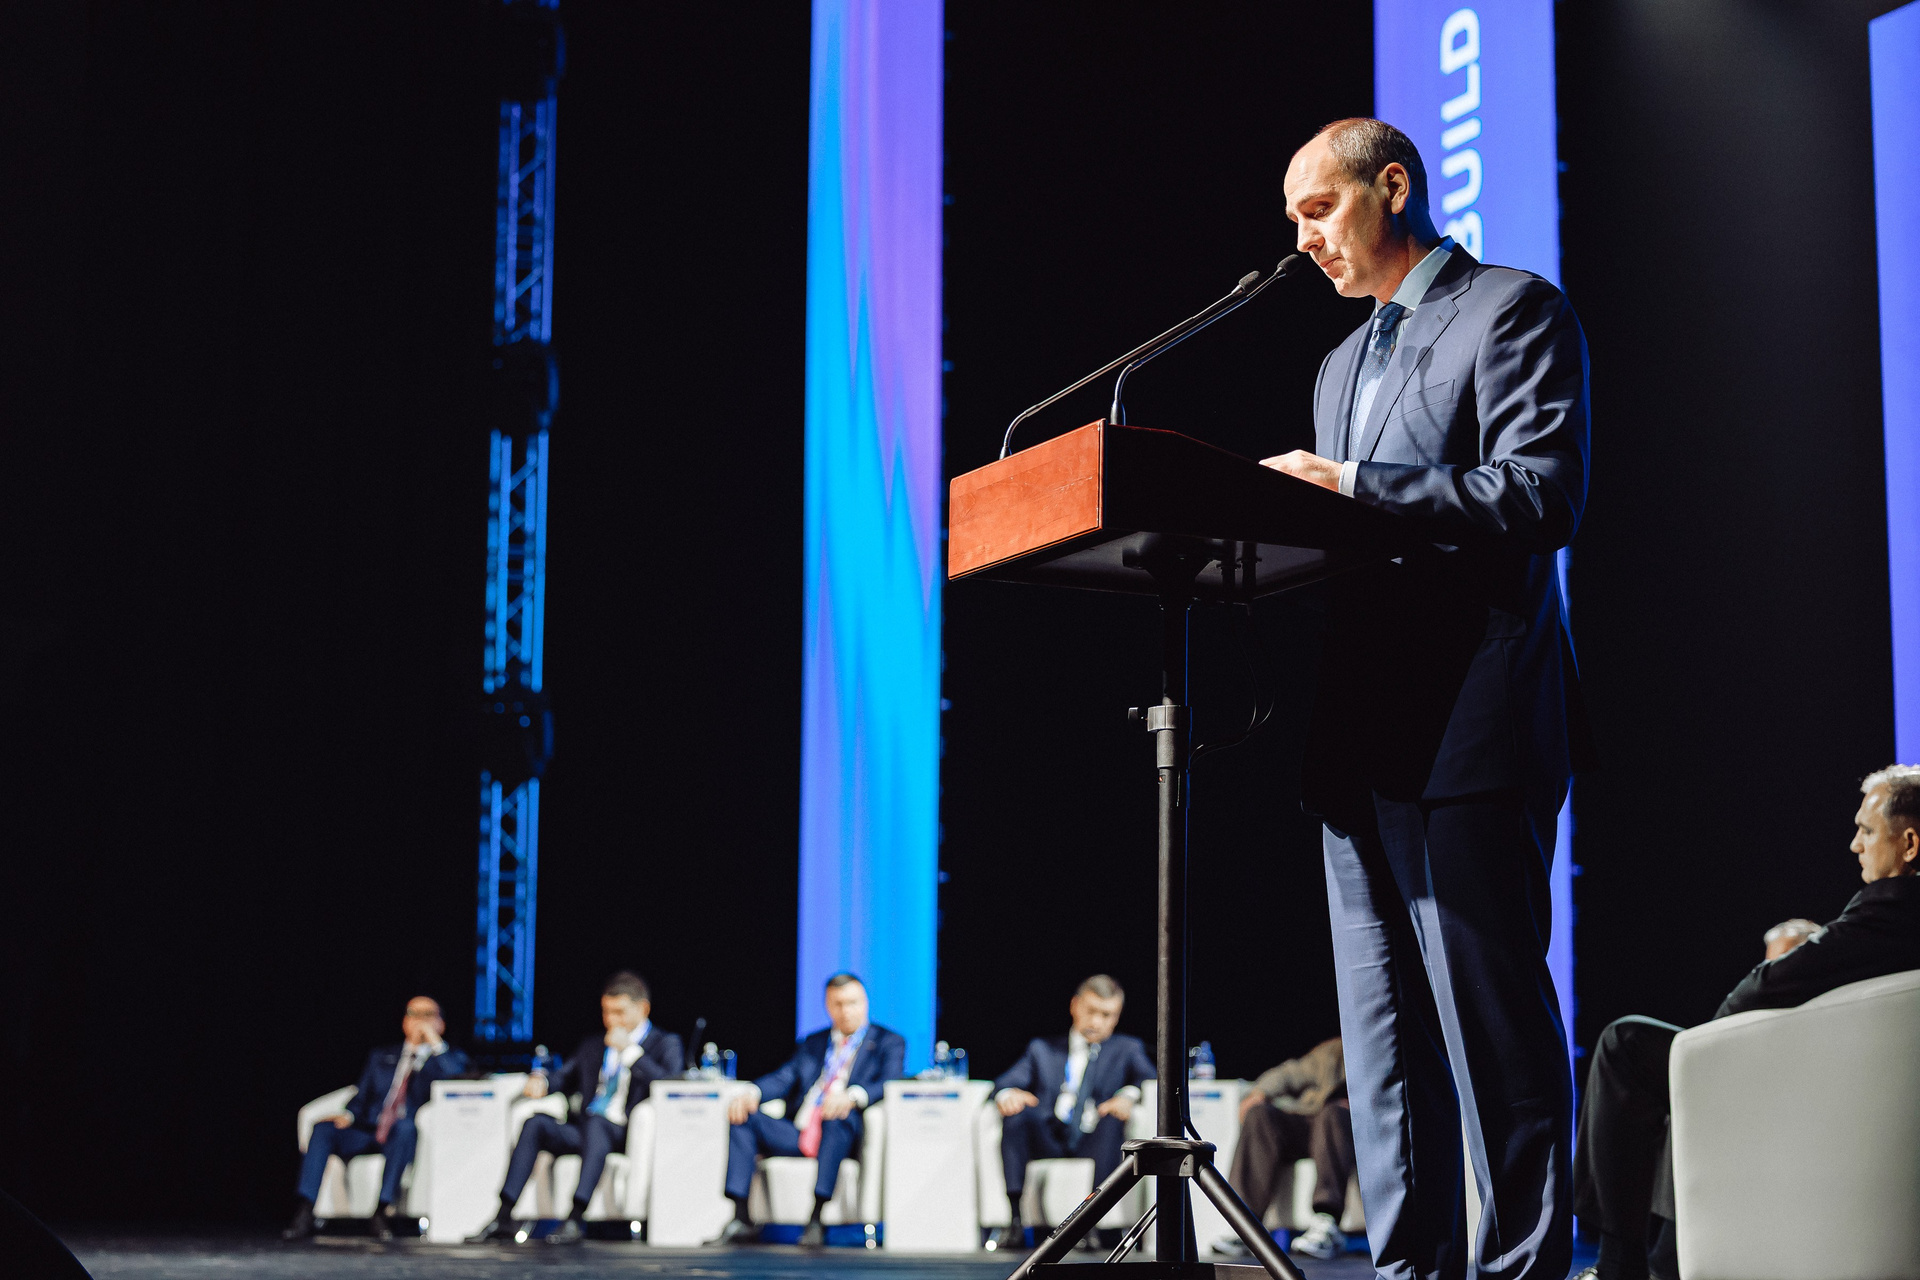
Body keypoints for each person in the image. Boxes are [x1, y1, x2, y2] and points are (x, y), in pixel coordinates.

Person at [1263, 117, 1591, 1280]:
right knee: (1384, 1050)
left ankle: (1521, 1267)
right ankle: (1409, 1270)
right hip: (1357, 741)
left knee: (1490, 1029)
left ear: (1391, 186)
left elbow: (1539, 494)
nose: (1303, 239)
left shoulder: (1510, 309)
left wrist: (1350, 483)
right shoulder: (1336, 365)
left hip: (1470, 722)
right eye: (1293, 220)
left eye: (1319, 209)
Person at [1571, 766, 1920, 1280]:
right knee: (1670, 1090)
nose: (1855, 845)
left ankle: (1619, 1265)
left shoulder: (1890, 909)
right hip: (1847, 1090)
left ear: (1909, 844)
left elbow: (1765, 985)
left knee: (1625, 1044)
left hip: (1802, 1090)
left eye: (1867, 831)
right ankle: (1660, 1259)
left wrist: (1712, 1046)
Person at [467, 971, 684, 1245]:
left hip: (626, 1132)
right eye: (606, 1012)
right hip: (587, 1130)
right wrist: (543, 1081)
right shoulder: (593, 1045)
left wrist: (630, 1052)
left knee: (597, 1122)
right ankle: (503, 1216)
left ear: (643, 1009)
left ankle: (575, 1217)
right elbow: (563, 1077)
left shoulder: (665, 1043)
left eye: (619, 1012)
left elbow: (669, 1084)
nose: (611, 1020)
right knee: (535, 1124)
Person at [707, 972, 906, 1247]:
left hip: (842, 1131)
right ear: (828, 1005)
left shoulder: (887, 1041)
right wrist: (753, 1092)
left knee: (836, 1116)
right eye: (838, 1004)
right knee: (743, 1115)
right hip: (800, 1131)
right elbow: (785, 1077)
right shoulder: (814, 1042)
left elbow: (889, 1081)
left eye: (853, 1003)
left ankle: (816, 1217)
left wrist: (852, 1096)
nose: (846, 1011)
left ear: (865, 1003)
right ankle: (741, 1217)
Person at [989, 974, 1156, 1252]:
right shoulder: (1042, 1049)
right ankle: (1015, 1219)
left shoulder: (1127, 1049)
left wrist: (1127, 1096)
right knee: (1017, 1115)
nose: (1097, 1022)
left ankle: (1090, 1223)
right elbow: (1005, 1082)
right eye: (1091, 1011)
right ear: (1075, 1006)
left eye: (1107, 1015)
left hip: (1094, 1136)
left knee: (1112, 1119)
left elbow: (1151, 1081)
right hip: (1050, 1135)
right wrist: (1009, 1095)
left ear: (1117, 1016)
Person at [283, 996, 468, 1242]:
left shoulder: (444, 1058)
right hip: (368, 1127)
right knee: (323, 1129)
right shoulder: (382, 1056)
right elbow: (362, 1094)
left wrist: (435, 1043)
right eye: (414, 1014)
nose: (420, 1021)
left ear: (440, 1024)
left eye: (427, 1015)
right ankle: (305, 1211)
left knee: (404, 1128)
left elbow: (458, 1078)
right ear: (404, 1021)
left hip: (401, 1132)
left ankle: (381, 1211)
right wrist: (349, 1114)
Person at [1211, 1037, 1355, 1262]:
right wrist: (1259, 1093)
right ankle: (1244, 1225)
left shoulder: (1389, 1051)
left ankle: (1327, 1222)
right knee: (1259, 1114)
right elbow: (1289, 1074)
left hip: (1353, 1130)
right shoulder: (1336, 1051)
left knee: (1334, 1114)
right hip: (1311, 1120)